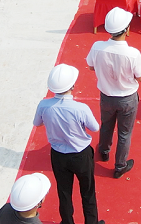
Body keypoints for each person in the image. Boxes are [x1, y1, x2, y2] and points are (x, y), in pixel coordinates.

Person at [33, 64, 103, 224]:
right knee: (88, 192)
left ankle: (67, 221)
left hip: (58, 155)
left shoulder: (44, 105)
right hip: (81, 155)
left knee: (64, 192)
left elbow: (37, 123)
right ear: (72, 86)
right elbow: (95, 127)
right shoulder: (80, 108)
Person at [87, 7, 141, 179]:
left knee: (106, 125)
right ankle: (120, 166)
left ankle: (104, 150)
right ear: (126, 30)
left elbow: (91, 66)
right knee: (124, 133)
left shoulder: (97, 47)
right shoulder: (133, 54)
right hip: (127, 99)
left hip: (106, 96)